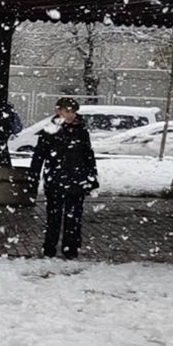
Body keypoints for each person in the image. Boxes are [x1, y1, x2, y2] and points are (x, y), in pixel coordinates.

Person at [27, 97, 99, 260]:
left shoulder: (81, 131)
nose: (71, 115)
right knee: (54, 217)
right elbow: (38, 157)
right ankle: (50, 248)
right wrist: (33, 181)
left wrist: (91, 178)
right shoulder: (50, 131)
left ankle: (71, 248)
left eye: (73, 112)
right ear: (58, 111)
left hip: (76, 180)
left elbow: (88, 155)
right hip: (56, 181)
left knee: (73, 217)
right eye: (67, 111)